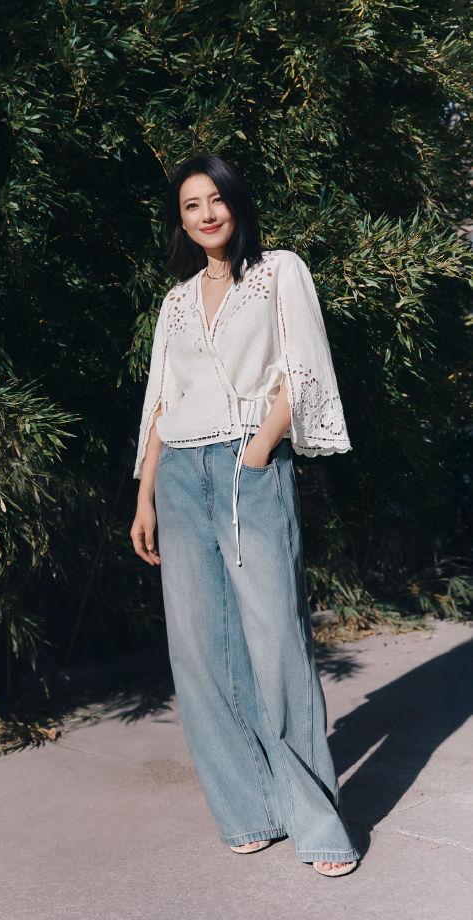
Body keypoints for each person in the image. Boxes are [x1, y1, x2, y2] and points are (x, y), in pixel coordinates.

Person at [129, 153, 361, 878]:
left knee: (275, 641)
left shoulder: (278, 272)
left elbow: (302, 371)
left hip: (247, 468)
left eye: (216, 199)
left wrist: (258, 450)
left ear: (236, 202)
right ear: (180, 219)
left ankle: (319, 826)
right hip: (178, 475)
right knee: (198, 653)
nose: (206, 214)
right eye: (191, 205)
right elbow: (162, 401)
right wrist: (144, 495)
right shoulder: (175, 301)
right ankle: (248, 809)